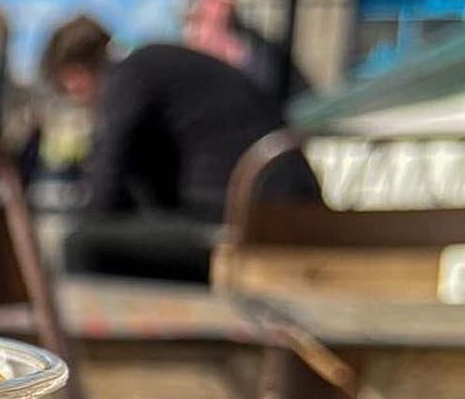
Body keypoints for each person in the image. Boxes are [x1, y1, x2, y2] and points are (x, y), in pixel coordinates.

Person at [40, 14, 322, 284]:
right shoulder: (158, 65)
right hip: (291, 215)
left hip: (243, 226)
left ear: (74, 75)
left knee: (81, 245)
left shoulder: (129, 76)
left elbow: (104, 194)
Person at [185, 0, 310, 107]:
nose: (192, 31)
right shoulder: (209, 61)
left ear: (222, 21)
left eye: (198, 20)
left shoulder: (261, 58)